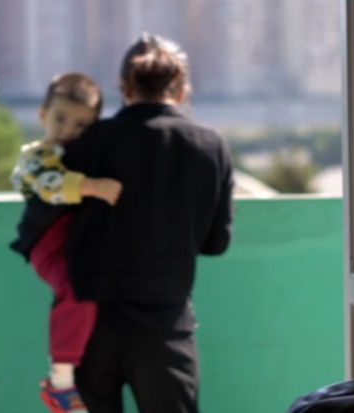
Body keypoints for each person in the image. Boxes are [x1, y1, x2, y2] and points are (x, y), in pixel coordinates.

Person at [60, 33, 234, 413]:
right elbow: (216, 242)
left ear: (125, 88)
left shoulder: (89, 141)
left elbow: (54, 217)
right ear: (182, 90)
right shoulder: (210, 145)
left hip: (88, 325)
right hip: (165, 325)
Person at [10, 72, 122, 413]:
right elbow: (50, 184)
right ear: (43, 114)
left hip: (75, 244)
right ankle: (60, 381)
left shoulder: (85, 155)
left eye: (81, 125)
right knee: (76, 291)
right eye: (60, 119)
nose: (68, 130)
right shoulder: (37, 155)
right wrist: (94, 187)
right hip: (48, 244)